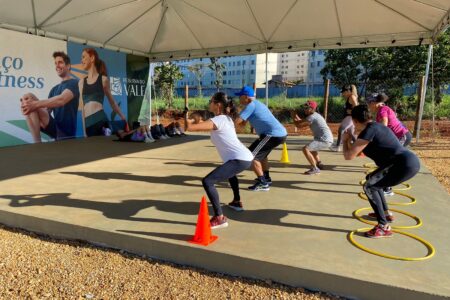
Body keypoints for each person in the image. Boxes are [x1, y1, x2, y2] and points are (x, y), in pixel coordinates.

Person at [342, 105, 420, 238]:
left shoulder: (369, 131)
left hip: (401, 164)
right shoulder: (375, 127)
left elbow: (348, 156)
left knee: (369, 186)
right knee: (372, 180)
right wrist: (352, 137)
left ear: (355, 121)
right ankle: (386, 214)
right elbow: (358, 150)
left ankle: (383, 226)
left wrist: (344, 141)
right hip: (405, 162)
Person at [186, 92, 253, 229]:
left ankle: (219, 217)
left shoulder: (220, 120)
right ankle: (236, 201)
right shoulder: (226, 119)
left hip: (239, 159)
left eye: (211, 101)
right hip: (242, 158)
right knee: (231, 174)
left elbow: (190, 128)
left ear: (218, 105)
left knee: (208, 181)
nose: (209, 103)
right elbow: (203, 119)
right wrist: (195, 118)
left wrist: (186, 118)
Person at [234, 86, 287, 191]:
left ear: (245, 97)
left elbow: (237, 122)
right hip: (277, 134)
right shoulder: (256, 104)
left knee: (251, 156)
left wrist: (224, 124)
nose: (238, 99)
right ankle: (266, 178)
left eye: (240, 96)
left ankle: (262, 183)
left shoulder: (251, 105)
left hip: (272, 134)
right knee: (262, 156)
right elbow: (242, 124)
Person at [20, 51, 80, 143]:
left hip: (66, 133)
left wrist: (35, 104)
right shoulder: (54, 89)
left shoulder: (75, 83)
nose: (57, 66)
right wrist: (32, 111)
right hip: (55, 127)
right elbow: (47, 111)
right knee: (27, 97)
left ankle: (38, 144)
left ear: (68, 66)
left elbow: (62, 100)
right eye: (55, 63)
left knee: (32, 103)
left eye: (60, 62)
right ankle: (37, 143)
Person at [367, 92, 413, 196]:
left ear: (375, 103)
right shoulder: (382, 109)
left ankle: (387, 188)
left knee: (391, 160)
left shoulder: (382, 110)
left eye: (369, 103)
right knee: (389, 160)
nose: (368, 106)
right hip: (401, 136)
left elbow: (384, 124)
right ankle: (386, 185)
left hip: (402, 136)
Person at [79, 48, 127, 136]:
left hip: (101, 121)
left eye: (83, 57)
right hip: (88, 126)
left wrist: (123, 118)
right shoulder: (81, 82)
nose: (81, 60)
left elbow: (113, 103)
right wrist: (84, 131)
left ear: (92, 58)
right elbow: (83, 108)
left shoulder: (103, 80)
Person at [292, 100, 333, 175]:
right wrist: (295, 115)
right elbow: (301, 121)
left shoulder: (312, 117)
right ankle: (319, 163)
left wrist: (293, 115)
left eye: (306, 108)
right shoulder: (314, 115)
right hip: (325, 139)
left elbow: (298, 125)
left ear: (312, 109)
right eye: (304, 108)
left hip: (324, 140)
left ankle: (315, 168)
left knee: (306, 149)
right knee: (313, 149)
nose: (304, 109)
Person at [333, 84, 359, 151]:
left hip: (349, 117)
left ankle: (337, 146)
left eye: (344, 92)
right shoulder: (350, 97)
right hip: (350, 117)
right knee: (351, 133)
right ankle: (358, 147)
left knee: (341, 130)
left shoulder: (352, 97)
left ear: (348, 91)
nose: (343, 94)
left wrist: (351, 112)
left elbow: (357, 108)